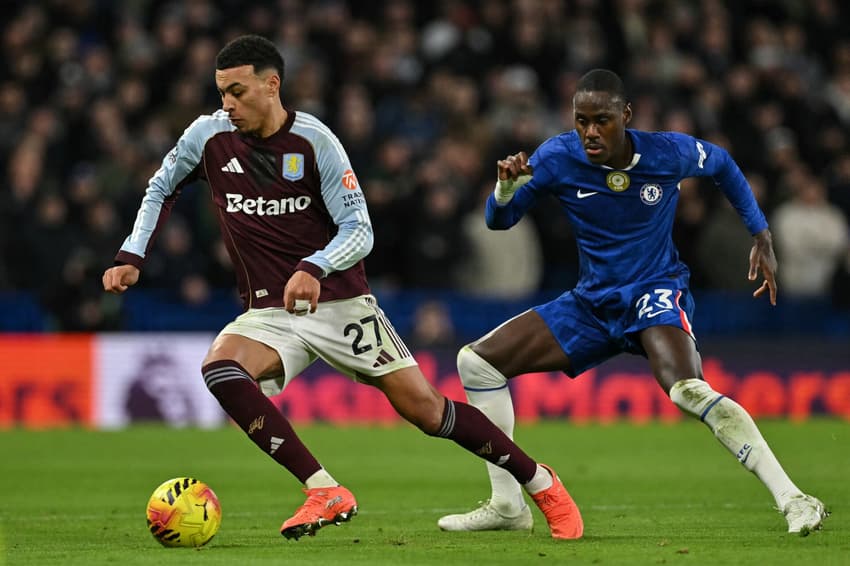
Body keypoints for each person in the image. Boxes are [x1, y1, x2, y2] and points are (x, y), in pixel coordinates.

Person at [102, 35, 581, 541]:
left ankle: (542, 482)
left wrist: (314, 265)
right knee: (220, 369)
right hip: (268, 310)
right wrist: (132, 252)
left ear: (272, 86)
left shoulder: (314, 142)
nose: (227, 104)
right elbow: (160, 186)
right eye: (221, 92)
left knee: (425, 410)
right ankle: (322, 488)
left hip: (339, 302)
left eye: (238, 92)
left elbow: (360, 230)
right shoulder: (208, 136)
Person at [437, 69, 828, 536]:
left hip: (653, 292)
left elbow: (722, 163)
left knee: (687, 389)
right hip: (592, 302)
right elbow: (499, 222)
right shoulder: (558, 156)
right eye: (581, 120)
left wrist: (760, 232)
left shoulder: (666, 152)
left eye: (601, 120)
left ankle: (794, 498)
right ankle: (507, 506)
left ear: (625, 115)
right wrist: (505, 188)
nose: (590, 132)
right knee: (477, 364)